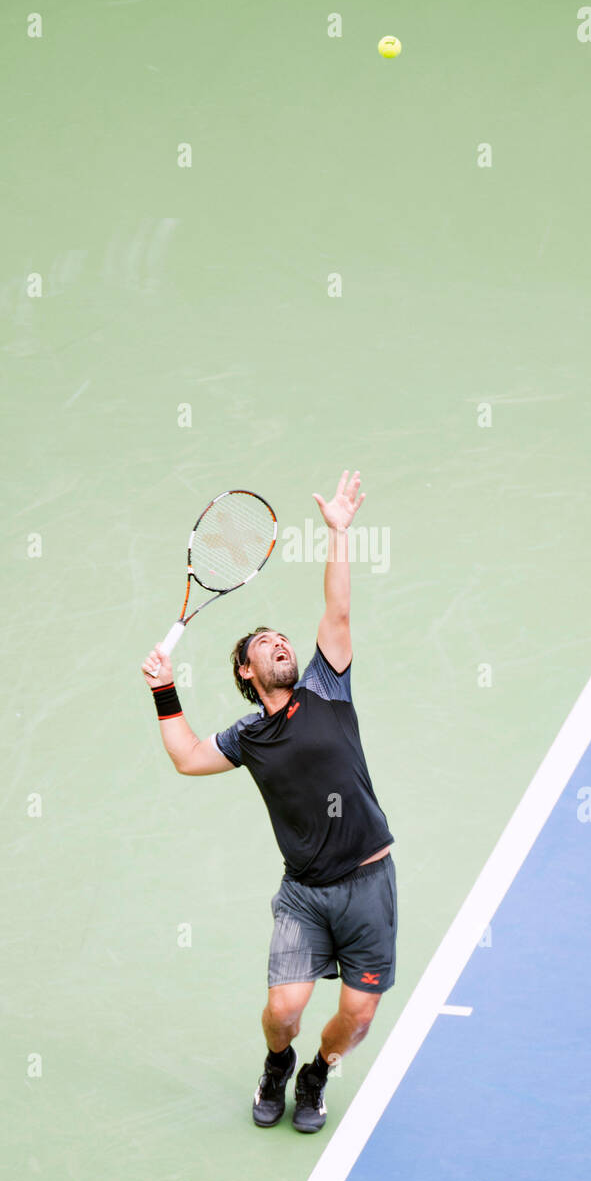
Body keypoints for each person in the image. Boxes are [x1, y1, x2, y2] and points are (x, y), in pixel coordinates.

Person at [141, 472, 396, 1133]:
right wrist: (163, 690)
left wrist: (338, 534)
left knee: (359, 1016)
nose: (281, 644)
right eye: (264, 646)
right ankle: (279, 1063)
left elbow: (336, 612)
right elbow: (188, 756)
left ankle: (316, 1073)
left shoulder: (327, 687)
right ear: (248, 676)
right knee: (283, 1010)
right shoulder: (249, 736)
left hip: (369, 880)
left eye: (282, 639)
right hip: (306, 893)